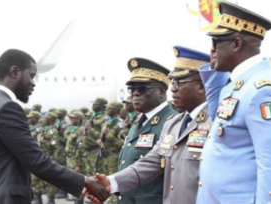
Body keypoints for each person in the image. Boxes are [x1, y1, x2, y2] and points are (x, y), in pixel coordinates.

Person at [0, 49, 108, 204]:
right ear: (14, 72)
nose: (33, 83)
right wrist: (84, 181)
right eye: (31, 75)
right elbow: (36, 160)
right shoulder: (6, 108)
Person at [197, 1, 271, 203]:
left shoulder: (263, 90)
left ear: (236, 44)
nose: (212, 51)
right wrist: (213, 68)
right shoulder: (238, 85)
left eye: (216, 43)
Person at [89, 46, 212, 204]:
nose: (172, 89)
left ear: (201, 86)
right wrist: (111, 182)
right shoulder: (173, 124)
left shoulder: (216, 122)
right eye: (172, 82)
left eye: (178, 82)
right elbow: (151, 162)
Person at [107, 57, 177, 204]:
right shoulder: (137, 123)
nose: (135, 93)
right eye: (132, 89)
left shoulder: (172, 122)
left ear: (162, 91)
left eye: (142, 88)